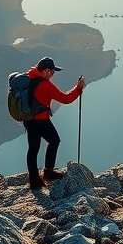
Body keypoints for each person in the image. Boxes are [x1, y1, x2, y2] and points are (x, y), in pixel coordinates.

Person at [23, 57, 85, 189]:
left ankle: (34, 180)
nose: (52, 74)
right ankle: (48, 173)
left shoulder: (29, 77)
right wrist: (78, 89)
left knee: (33, 149)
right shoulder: (45, 85)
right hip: (41, 121)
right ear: (45, 71)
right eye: (52, 71)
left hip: (28, 120)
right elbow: (66, 99)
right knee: (54, 141)